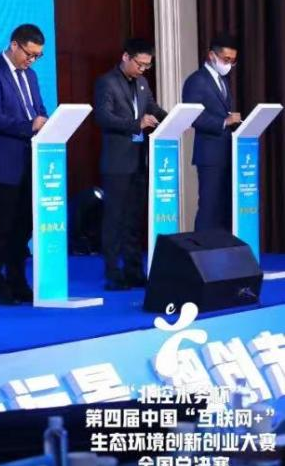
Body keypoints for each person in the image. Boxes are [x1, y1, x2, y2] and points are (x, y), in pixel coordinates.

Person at [0, 24, 48, 305]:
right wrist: (30, 126)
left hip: (30, 162)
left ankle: (17, 281)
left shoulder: (31, 75)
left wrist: (45, 123)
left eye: (38, 56)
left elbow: (39, 110)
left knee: (23, 227)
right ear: (14, 45)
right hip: (2, 164)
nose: (32, 60)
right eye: (29, 54)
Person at [93, 38, 167, 290]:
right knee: (114, 219)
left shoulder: (143, 83)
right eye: (140, 64)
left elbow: (153, 108)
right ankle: (113, 272)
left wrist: (174, 119)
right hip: (117, 162)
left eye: (147, 66)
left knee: (133, 220)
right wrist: (136, 124)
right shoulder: (107, 82)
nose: (143, 69)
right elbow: (103, 117)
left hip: (138, 161)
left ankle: (134, 270)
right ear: (126, 57)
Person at [182, 35, 241, 232]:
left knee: (223, 208)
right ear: (211, 55)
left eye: (233, 61)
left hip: (227, 152)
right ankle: (201, 247)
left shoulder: (223, 80)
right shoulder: (197, 80)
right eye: (226, 59)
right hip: (209, 154)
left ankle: (221, 247)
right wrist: (224, 122)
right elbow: (192, 116)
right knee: (209, 207)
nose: (229, 64)